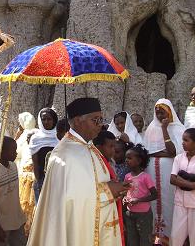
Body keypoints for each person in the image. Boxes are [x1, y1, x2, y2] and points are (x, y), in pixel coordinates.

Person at [27, 98, 129, 246]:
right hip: (79, 228)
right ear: (77, 121)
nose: (100, 124)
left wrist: (114, 188)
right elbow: (69, 199)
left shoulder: (89, 146)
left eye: (101, 119)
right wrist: (107, 191)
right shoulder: (64, 154)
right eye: (95, 120)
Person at [143, 98, 186, 241]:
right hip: (152, 171)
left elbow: (173, 151)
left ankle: (172, 236)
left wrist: (164, 128)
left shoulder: (178, 129)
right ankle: (156, 237)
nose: (160, 116)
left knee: (169, 199)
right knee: (154, 200)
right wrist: (162, 153)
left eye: (163, 112)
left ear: (170, 112)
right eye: (158, 113)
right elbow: (146, 152)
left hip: (169, 170)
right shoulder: (150, 128)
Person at [0, 136, 27, 246]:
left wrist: (21, 217)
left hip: (17, 220)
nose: (16, 153)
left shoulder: (14, 166)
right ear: (2, 151)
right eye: (13, 150)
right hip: (2, 225)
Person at [123, 144, 157, 246]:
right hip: (129, 213)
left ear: (139, 161)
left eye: (129, 158)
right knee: (131, 239)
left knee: (145, 239)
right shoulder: (127, 176)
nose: (126, 160)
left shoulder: (145, 177)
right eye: (126, 158)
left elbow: (155, 195)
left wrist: (138, 200)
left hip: (144, 214)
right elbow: (125, 192)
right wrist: (124, 198)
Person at [29, 108, 59, 202]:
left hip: (59, 178)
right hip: (42, 179)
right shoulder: (36, 138)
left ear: (54, 120)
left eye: (49, 119)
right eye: (43, 119)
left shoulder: (60, 136)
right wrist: (39, 182)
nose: (46, 122)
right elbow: (35, 162)